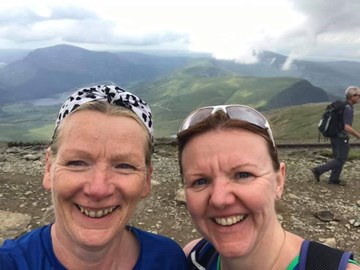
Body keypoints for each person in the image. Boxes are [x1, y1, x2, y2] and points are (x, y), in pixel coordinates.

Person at [0, 84, 187, 269]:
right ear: (49, 168)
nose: (98, 189)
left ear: (147, 179)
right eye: (77, 163)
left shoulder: (169, 260)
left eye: (124, 165)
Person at [176, 104, 359, 270]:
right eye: (200, 181)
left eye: (243, 175)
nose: (219, 199)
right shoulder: (192, 258)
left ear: (279, 181)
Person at [311, 86, 360, 185]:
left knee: (338, 158)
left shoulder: (343, 106)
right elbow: (347, 127)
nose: (359, 97)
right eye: (358, 95)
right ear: (351, 96)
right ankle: (318, 170)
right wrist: (358, 135)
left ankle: (333, 179)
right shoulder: (348, 109)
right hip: (341, 137)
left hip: (334, 135)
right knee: (341, 159)